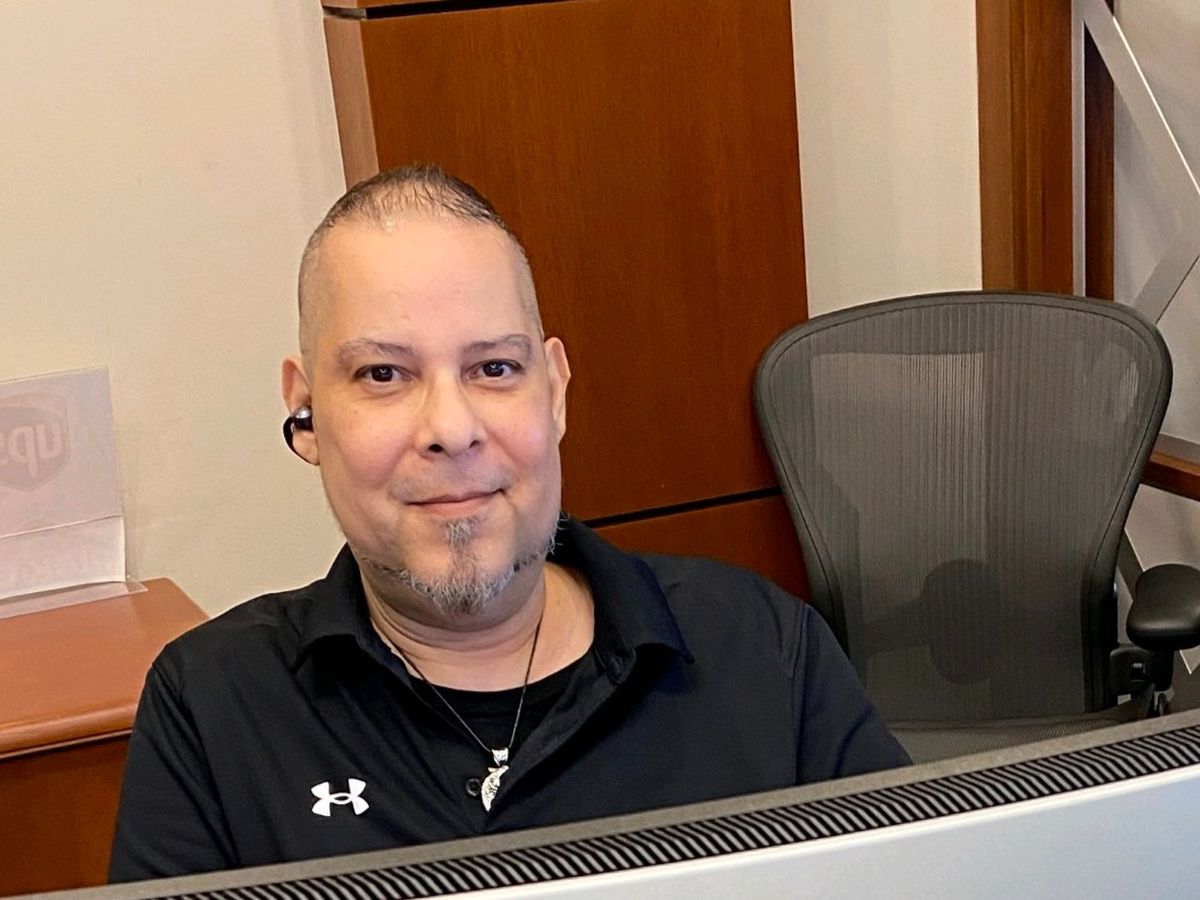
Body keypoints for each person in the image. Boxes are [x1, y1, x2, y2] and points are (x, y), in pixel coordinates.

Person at [108, 165, 909, 881]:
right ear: (306, 410)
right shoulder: (213, 706)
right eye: (383, 374)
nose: (451, 428)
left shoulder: (764, 652)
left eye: (494, 368)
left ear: (554, 392)